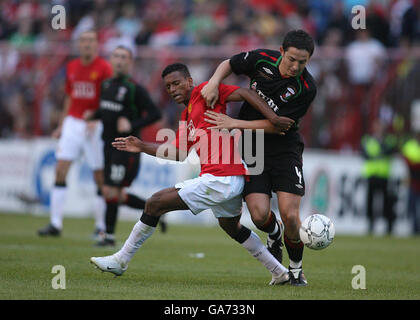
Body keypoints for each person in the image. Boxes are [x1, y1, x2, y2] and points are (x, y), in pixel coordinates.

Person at [90, 63, 295, 285]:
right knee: (231, 227)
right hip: (227, 178)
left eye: (176, 83)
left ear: (189, 81)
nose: (172, 89)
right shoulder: (186, 116)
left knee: (155, 203)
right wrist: (141, 146)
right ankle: (279, 271)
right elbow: (178, 153)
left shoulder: (206, 92)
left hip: (222, 177)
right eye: (168, 86)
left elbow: (245, 92)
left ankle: (121, 260)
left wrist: (272, 118)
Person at [200, 29, 317, 286]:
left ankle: (296, 268)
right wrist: (213, 82)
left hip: (284, 149)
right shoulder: (262, 59)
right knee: (259, 215)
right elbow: (229, 63)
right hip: (252, 147)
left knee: (289, 215)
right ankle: (273, 234)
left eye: (303, 62)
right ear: (282, 51)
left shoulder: (306, 88)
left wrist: (234, 122)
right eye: (292, 59)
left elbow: (278, 126)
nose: (296, 66)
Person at [38, 30, 112, 237]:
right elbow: (69, 98)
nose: (87, 44)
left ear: (97, 44)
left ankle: (101, 226)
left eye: (91, 41)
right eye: (83, 41)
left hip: (94, 125)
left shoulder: (104, 68)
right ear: (79, 45)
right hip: (73, 121)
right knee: (60, 169)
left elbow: (108, 98)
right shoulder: (71, 67)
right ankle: (55, 224)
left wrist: (97, 118)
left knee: (99, 176)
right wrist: (62, 125)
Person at [85, 46, 162, 246]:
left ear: (130, 62)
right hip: (107, 146)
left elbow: (155, 114)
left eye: (124, 57)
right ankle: (154, 208)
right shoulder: (106, 85)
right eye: (116, 56)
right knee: (117, 195)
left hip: (126, 149)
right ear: (111, 59)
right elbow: (107, 111)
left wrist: (132, 125)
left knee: (109, 190)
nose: (119, 60)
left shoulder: (134, 88)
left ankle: (108, 237)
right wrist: (94, 115)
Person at [361, 120, 397, 234]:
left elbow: (389, 150)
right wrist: (380, 153)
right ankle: (370, 224)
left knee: (387, 202)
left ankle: (389, 226)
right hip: (372, 175)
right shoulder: (368, 140)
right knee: (370, 201)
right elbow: (364, 154)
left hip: (384, 175)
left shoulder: (388, 140)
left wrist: (377, 153)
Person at [401, 133, 420, 234]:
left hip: (415, 178)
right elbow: (406, 161)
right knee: (412, 206)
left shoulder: (409, 146)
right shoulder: (409, 146)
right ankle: (414, 228)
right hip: (413, 180)